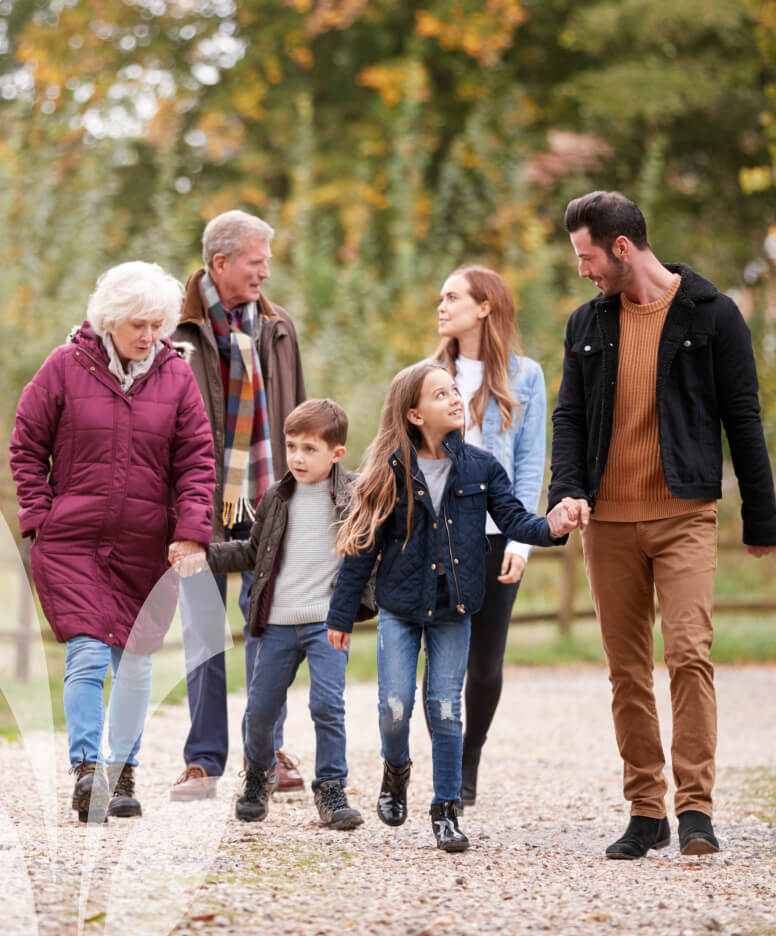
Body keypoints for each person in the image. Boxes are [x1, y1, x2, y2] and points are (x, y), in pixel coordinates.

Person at [549, 190, 776, 859]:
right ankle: (646, 810)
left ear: (622, 247)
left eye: (587, 256)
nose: (583, 270)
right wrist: (567, 490)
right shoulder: (586, 324)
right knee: (626, 670)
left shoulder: (714, 316)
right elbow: (571, 418)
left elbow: (744, 417)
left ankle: (696, 809)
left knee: (688, 654)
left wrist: (762, 516)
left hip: (684, 515)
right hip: (609, 523)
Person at [325, 362, 577, 852]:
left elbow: (513, 519)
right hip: (399, 608)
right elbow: (362, 549)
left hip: (454, 608)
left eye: (454, 391)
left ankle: (445, 811)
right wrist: (341, 615)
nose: (455, 399)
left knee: (444, 708)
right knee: (395, 706)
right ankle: (396, 769)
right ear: (415, 414)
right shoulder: (389, 471)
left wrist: (552, 527)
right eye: (441, 395)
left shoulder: (481, 467)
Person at [9, 261, 215, 822]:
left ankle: (123, 772)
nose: (150, 338)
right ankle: (87, 771)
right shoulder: (64, 366)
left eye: (158, 326)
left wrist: (191, 531)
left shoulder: (176, 376)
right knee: (86, 653)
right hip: (72, 540)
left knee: (136, 660)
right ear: (110, 321)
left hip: (147, 545)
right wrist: (40, 516)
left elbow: (196, 461)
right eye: (138, 326)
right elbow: (26, 444)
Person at [178, 399, 372, 829]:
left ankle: (331, 788)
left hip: (327, 621)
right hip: (278, 623)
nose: (298, 458)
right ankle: (258, 773)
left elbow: (371, 551)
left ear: (337, 453)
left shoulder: (355, 495)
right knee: (261, 708)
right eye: (291, 446)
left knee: (327, 705)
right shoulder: (275, 498)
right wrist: (204, 556)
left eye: (310, 448)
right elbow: (250, 552)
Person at [169, 209, 307, 801]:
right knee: (203, 631)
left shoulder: (279, 328)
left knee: (268, 627)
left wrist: (303, 500)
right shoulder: (174, 332)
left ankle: (266, 752)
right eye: (256, 262)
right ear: (220, 263)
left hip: (266, 501)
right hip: (199, 504)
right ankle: (203, 760)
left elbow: (299, 417)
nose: (266, 273)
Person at [429, 265, 547, 807]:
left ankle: (468, 756)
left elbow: (529, 465)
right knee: (439, 656)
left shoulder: (527, 378)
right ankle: (446, 765)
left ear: (484, 307)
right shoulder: (426, 375)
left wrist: (522, 544)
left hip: (499, 536)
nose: (442, 305)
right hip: (437, 534)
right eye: (441, 297)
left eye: (453, 296)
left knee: (485, 663)